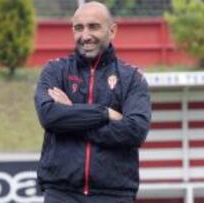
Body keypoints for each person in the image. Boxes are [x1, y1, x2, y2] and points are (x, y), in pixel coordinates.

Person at [34, 1, 151, 202]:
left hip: (115, 195)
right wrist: (104, 113)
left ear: (112, 31)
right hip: (61, 193)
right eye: (79, 28)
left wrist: (71, 114)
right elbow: (49, 116)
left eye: (93, 27)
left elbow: (135, 131)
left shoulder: (132, 77)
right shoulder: (54, 71)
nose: (85, 36)